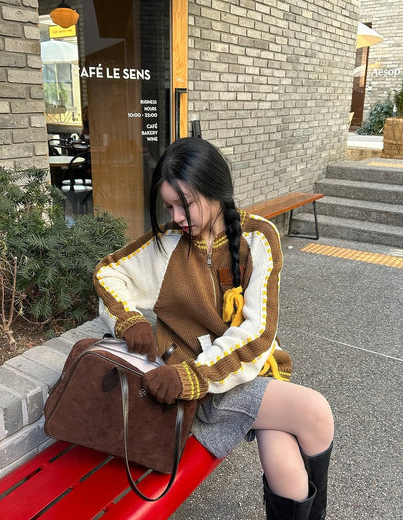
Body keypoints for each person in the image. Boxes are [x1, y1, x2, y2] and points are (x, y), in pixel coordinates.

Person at [93, 137, 334, 520]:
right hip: (191, 391)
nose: (176, 216)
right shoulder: (167, 245)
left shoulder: (258, 238)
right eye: (169, 206)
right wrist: (129, 319)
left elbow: (258, 333)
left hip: (222, 374)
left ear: (214, 190)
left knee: (285, 455)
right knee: (315, 413)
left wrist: (196, 375)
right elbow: (107, 273)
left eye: (184, 203)